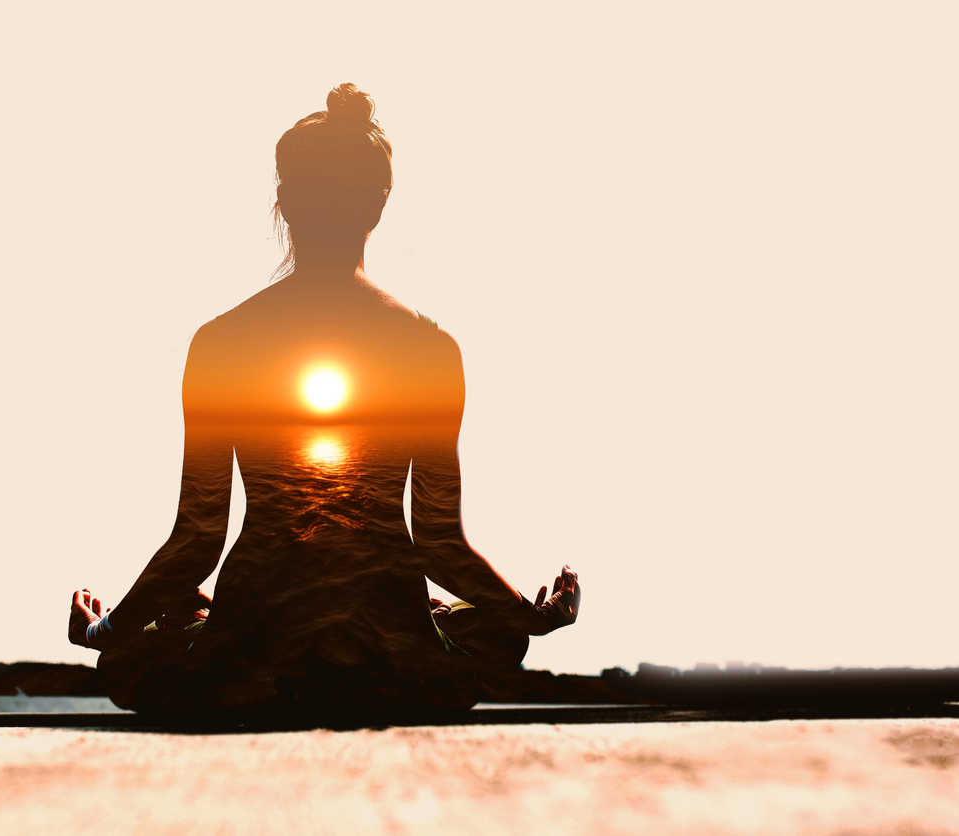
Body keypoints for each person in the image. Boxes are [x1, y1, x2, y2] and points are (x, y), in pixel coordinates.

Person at [68, 84, 580, 712]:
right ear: (379, 205)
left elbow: (198, 539)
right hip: (388, 646)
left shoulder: (223, 343)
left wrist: (101, 630)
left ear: (284, 200)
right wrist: (528, 617)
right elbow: (439, 542)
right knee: (489, 632)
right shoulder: (428, 348)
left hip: (256, 644)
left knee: (145, 643)